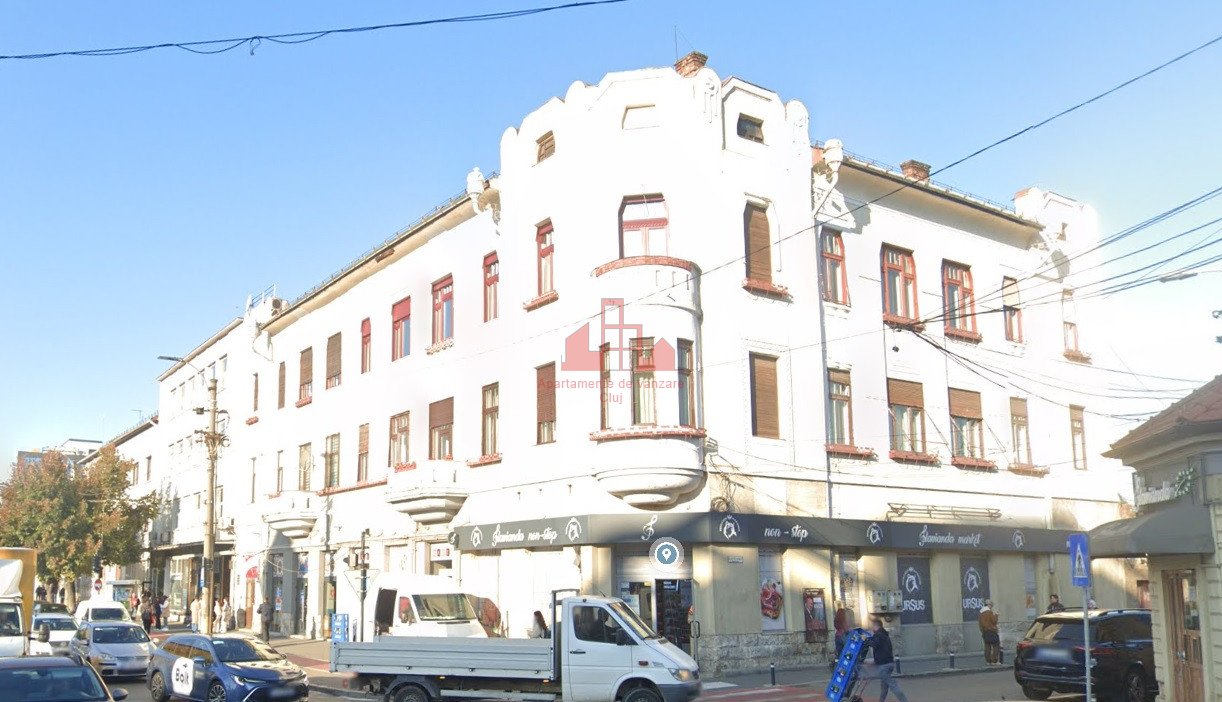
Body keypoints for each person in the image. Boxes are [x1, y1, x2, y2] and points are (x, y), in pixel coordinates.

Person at [862, 618, 909, 702]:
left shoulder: (878, 635)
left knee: (893, 685)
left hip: (884, 665)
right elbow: (882, 650)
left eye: (872, 626)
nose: (871, 628)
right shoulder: (884, 634)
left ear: (876, 626)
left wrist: (865, 639)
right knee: (884, 687)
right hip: (889, 663)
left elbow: (874, 644)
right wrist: (874, 661)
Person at [978, 600, 1000, 665]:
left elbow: (980, 624)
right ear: (989, 605)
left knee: (987, 646)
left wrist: (982, 631)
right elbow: (994, 621)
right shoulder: (989, 612)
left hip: (985, 631)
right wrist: (996, 615)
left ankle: (988, 661)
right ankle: (994, 661)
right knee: (996, 645)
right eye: (991, 605)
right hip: (992, 631)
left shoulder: (980, 613)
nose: (991, 607)